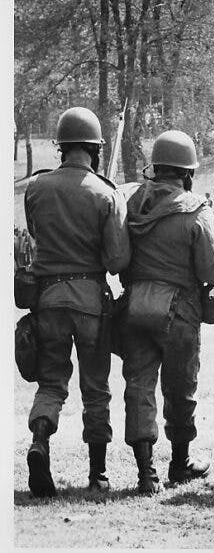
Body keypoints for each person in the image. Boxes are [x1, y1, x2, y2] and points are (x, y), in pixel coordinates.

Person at [23, 107, 131, 496]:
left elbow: (36, 235)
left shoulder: (36, 188)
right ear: (94, 149)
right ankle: (98, 474)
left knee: (51, 383)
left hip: (48, 300)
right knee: (96, 389)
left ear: (62, 147)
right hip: (90, 301)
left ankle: (39, 439)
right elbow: (118, 261)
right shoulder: (105, 193)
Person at [120, 130, 214, 494]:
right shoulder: (197, 209)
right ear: (188, 172)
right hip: (180, 309)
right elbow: (212, 270)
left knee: (138, 386)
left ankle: (145, 472)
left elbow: (119, 257)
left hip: (135, 305)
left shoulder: (131, 204)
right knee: (180, 389)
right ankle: (179, 464)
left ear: (156, 168)